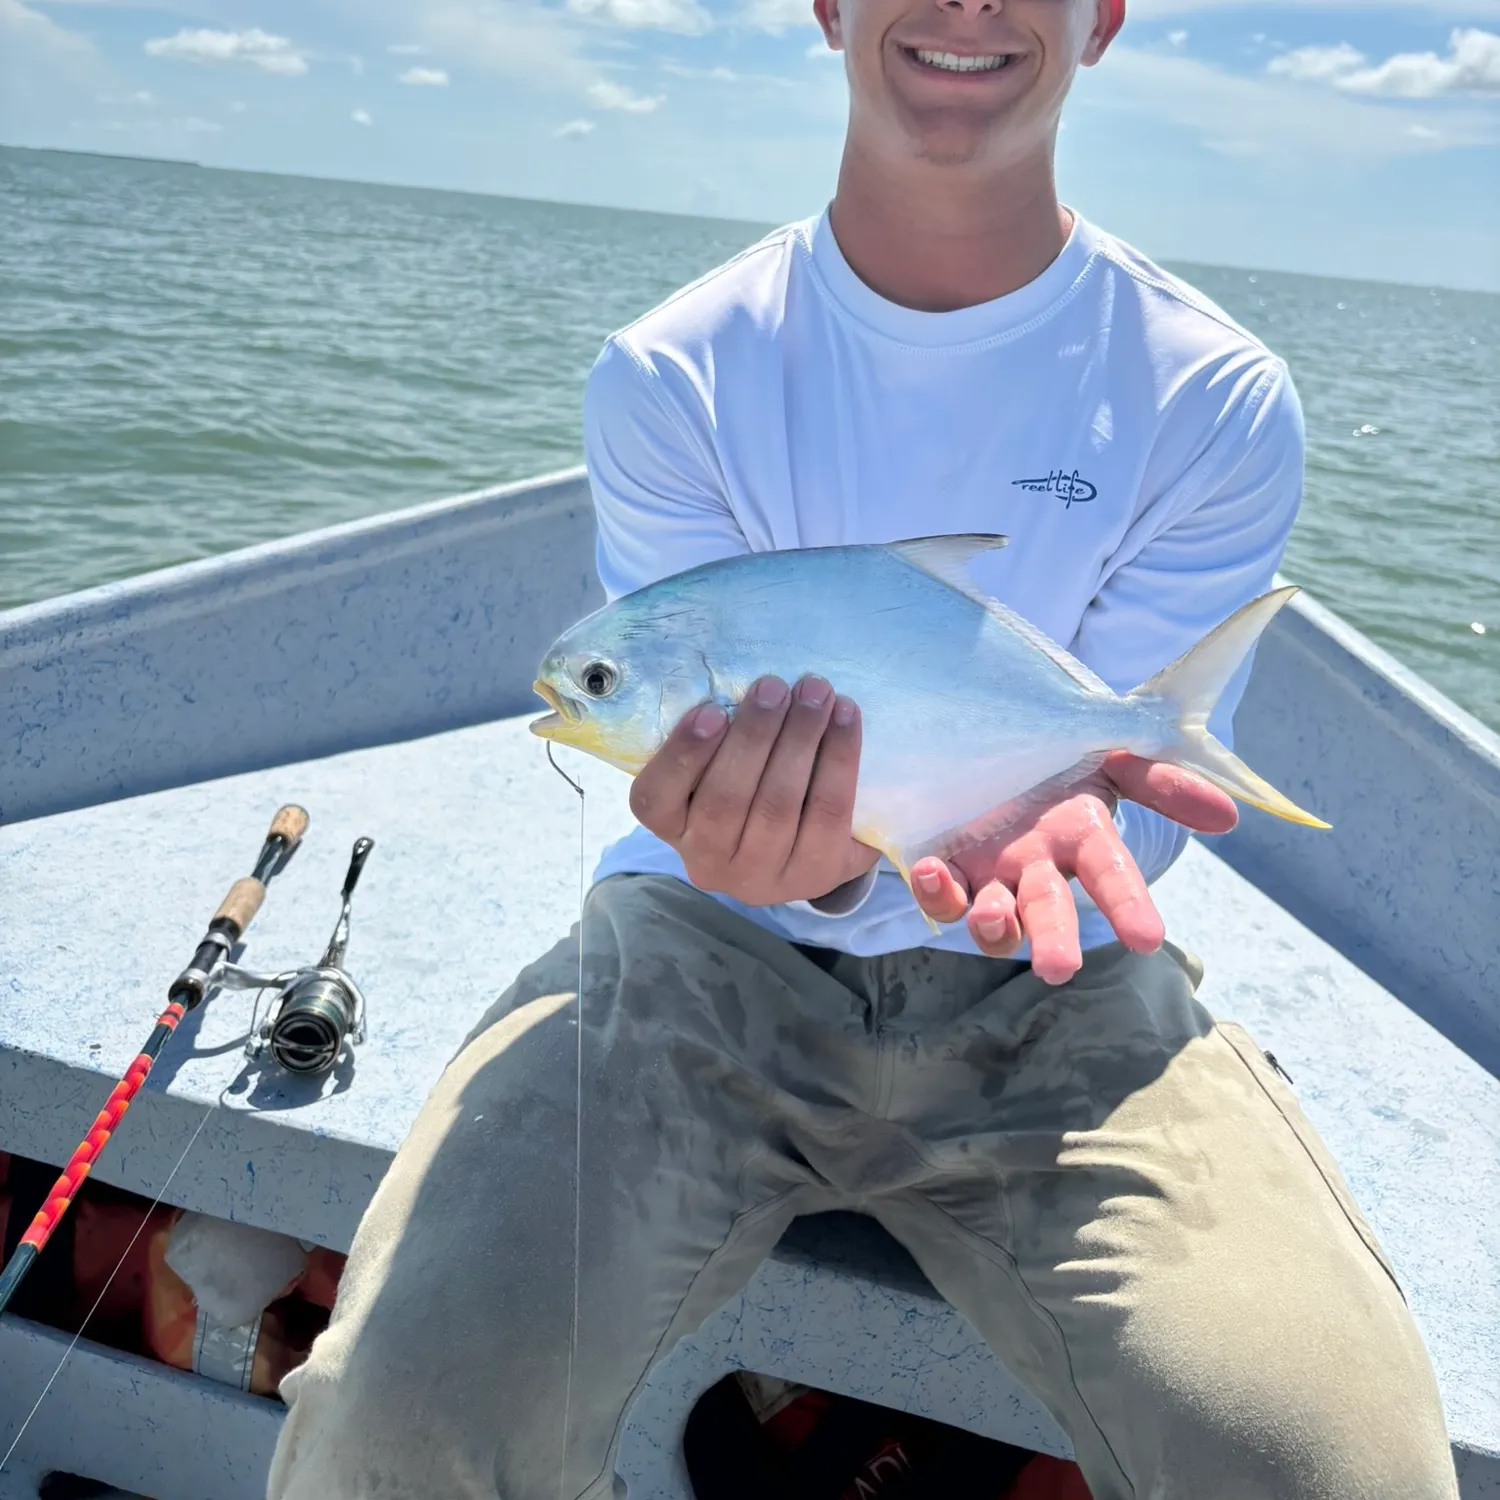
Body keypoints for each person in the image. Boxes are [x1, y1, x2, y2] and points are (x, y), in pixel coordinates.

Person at [267, 0, 1459, 1495]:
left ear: (1105, 16)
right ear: (826, 5)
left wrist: (1055, 834)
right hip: (696, 954)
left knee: (1335, 1465)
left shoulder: (1209, 393)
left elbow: (1133, 806)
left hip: (1058, 991)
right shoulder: (675, 373)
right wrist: (804, 865)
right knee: (393, 1429)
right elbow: (664, 729)